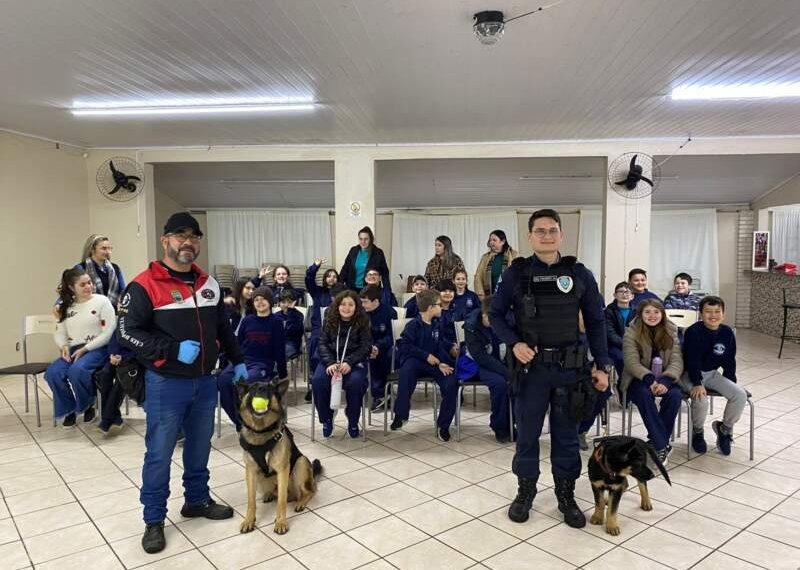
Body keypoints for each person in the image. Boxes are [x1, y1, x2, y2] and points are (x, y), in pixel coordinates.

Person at [117, 212, 245, 555]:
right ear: (165, 241)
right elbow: (127, 332)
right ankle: (154, 519)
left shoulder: (209, 284)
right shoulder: (144, 284)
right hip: (166, 383)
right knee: (160, 453)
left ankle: (197, 500)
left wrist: (239, 359)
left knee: (200, 446)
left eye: (194, 236)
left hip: (205, 381)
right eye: (180, 235)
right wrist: (172, 350)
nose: (188, 242)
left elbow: (222, 329)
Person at [489, 208, 610, 527]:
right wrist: (514, 343)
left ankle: (566, 495)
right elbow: (496, 315)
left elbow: (596, 321)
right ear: (529, 236)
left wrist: (602, 364)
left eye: (552, 230)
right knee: (527, 434)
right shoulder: (516, 273)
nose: (547, 235)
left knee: (567, 436)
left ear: (561, 234)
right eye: (540, 231)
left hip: (570, 369)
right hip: (531, 370)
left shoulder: (579, 274)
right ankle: (525, 492)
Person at [46, 268, 116, 428]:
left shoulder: (102, 302)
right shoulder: (65, 306)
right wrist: (63, 346)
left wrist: (86, 349)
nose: (88, 286)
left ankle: (87, 404)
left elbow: (109, 333)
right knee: (53, 373)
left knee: (77, 370)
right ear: (72, 287)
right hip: (73, 348)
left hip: (98, 348)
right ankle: (69, 409)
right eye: (82, 284)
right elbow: (60, 331)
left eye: (89, 282)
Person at [681, 296, 747, 456]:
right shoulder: (693, 331)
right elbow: (692, 360)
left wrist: (730, 381)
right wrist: (697, 383)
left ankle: (724, 429)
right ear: (700, 314)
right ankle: (697, 432)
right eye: (708, 311)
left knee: (739, 395)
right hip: (689, 374)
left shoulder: (727, 332)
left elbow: (729, 359)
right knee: (701, 399)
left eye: (717, 311)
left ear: (723, 314)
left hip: (711, 373)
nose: (713, 315)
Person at [621, 299, 684, 464]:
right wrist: (649, 379)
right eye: (647, 312)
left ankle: (656, 441)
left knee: (675, 396)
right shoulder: (631, 332)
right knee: (642, 394)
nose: (652, 315)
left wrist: (666, 380)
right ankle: (661, 445)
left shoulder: (671, 330)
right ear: (640, 314)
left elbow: (677, 360)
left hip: (667, 377)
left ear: (662, 314)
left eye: (656, 312)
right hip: (639, 377)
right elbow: (631, 361)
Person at [391, 289, 459, 441]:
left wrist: (447, 353)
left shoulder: (437, 324)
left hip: (435, 363)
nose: (441, 307)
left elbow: (440, 343)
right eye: (439, 305)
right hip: (416, 361)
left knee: (451, 381)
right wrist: (426, 356)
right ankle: (401, 415)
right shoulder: (413, 325)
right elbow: (406, 346)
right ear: (430, 308)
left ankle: (443, 425)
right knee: (406, 371)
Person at [218, 287, 288, 431]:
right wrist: (232, 362)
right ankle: (240, 422)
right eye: (256, 299)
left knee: (246, 383)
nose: (260, 302)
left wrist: (283, 373)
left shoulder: (276, 322)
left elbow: (280, 350)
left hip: (263, 364)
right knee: (223, 381)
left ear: (270, 301)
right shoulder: (247, 320)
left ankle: (250, 421)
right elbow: (238, 344)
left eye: (263, 299)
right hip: (243, 361)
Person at [311, 290, 372, 438]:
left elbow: (365, 347)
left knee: (356, 382)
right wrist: (330, 362)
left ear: (356, 307)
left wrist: (349, 362)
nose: (346, 308)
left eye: (351, 304)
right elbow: (322, 343)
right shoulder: (329, 319)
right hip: (330, 361)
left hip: (353, 362)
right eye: (343, 304)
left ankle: (352, 419)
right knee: (318, 381)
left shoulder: (363, 320)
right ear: (337, 306)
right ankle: (327, 418)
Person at [463, 298, 511, 442]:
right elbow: (480, 357)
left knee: (518, 381)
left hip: (500, 361)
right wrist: (507, 373)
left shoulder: (504, 321)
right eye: (492, 318)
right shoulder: (471, 326)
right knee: (499, 383)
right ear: (484, 314)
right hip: (479, 364)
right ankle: (499, 427)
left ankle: (511, 423)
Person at [305, 258, 340, 402]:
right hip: (318, 329)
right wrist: (315, 266)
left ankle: (331, 380)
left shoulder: (342, 293)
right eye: (329, 276)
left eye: (334, 276)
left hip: (336, 330)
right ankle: (313, 383)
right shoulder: (318, 292)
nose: (331, 278)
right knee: (314, 343)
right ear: (325, 279)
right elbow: (308, 279)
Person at [359, 285, 396, 412]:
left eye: (365, 302)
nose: (363, 305)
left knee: (384, 357)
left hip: (385, 346)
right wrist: (370, 347)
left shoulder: (389, 312)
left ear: (375, 301)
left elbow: (392, 336)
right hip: (367, 345)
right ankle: (376, 393)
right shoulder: (361, 313)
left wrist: (378, 346)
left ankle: (382, 394)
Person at [94, 323, 134, 434]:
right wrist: (113, 354)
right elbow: (113, 342)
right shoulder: (122, 323)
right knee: (104, 374)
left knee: (121, 379)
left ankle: (106, 419)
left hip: (132, 360)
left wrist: (124, 357)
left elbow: (141, 348)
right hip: (115, 358)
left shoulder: (143, 325)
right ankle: (115, 417)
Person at [77, 234, 126, 307]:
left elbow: (123, 291)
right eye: (104, 248)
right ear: (92, 250)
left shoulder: (115, 268)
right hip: (88, 309)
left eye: (109, 248)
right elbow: (71, 290)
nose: (108, 252)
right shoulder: (81, 268)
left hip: (111, 310)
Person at [339, 226, 391, 291]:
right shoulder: (353, 250)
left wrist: (388, 291)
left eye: (366, 239)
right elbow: (345, 269)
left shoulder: (378, 253)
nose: (363, 241)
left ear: (370, 239)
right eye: (361, 239)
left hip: (370, 289)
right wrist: (338, 286)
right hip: (351, 288)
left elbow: (385, 273)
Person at [474, 230, 519, 299]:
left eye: (494, 240)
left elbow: (519, 275)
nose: (491, 242)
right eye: (490, 240)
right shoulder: (485, 257)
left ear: (502, 241)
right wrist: (480, 294)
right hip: (490, 297)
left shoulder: (514, 255)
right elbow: (478, 276)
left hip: (509, 296)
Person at [605, 282, 635, 375]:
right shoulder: (609, 311)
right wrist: (625, 344)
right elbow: (610, 333)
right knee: (621, 358)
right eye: (621, 291)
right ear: (615, 295)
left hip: (633, 344)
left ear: (632, 296)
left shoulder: (637, 311)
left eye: (627, 292)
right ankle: (621, 382)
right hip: (614, 345)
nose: (624, 294)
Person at [276, 290, 304, 359]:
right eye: (283, 302)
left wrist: (291, 312)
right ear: (279, 303)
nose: (286, 305)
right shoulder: (276, 316)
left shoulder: (298, 315)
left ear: (294, 303)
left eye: (289, 302)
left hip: (292, 344)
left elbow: (293, 331)